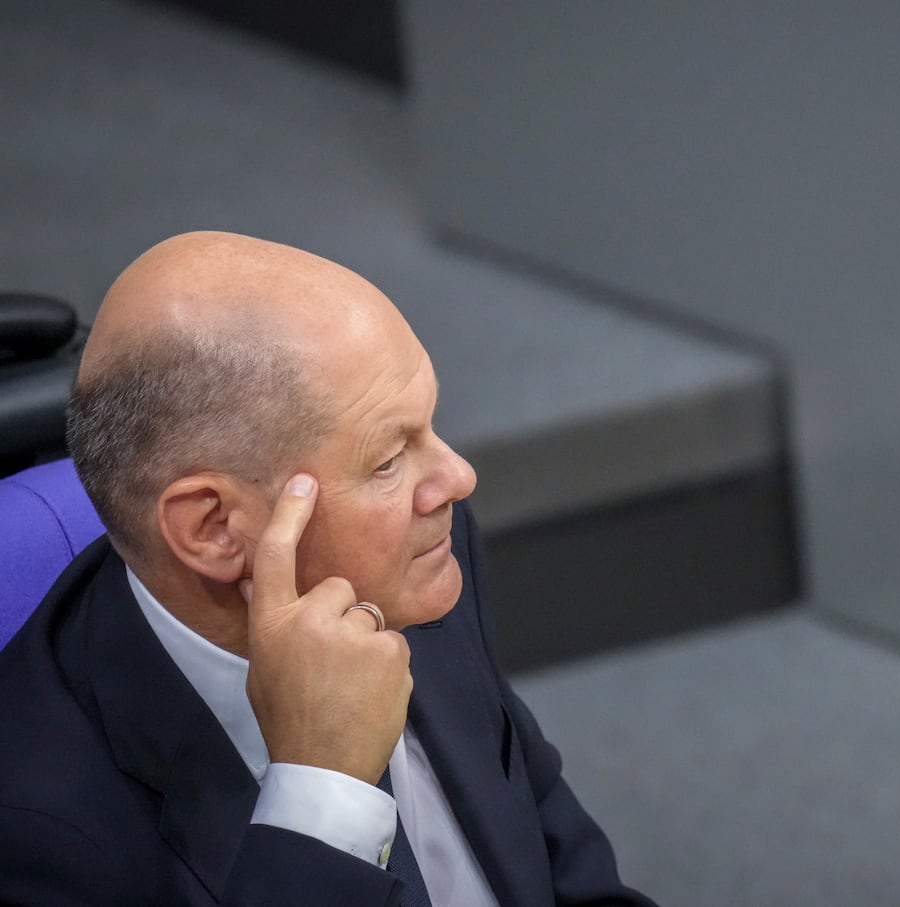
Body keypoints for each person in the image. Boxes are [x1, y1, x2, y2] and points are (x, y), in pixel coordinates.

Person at [0, 231, 657, 905]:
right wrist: (321, 793)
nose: (457, 478)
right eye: (387, 459)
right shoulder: (36, 834)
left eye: (429, 426)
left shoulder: (416, 557)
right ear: (215, 527)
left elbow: (567, 873)